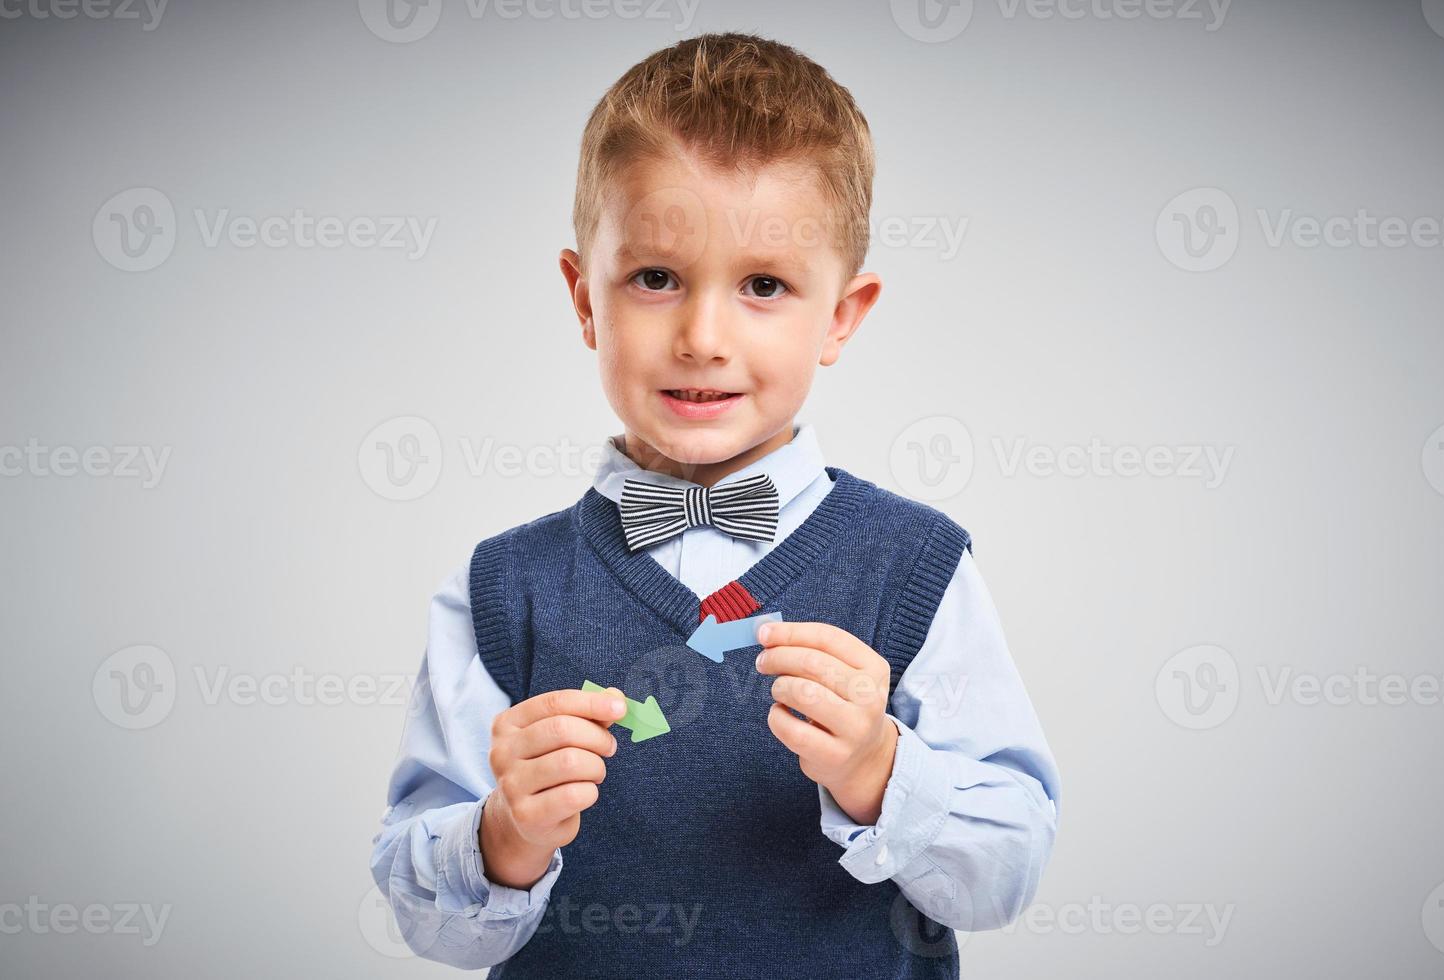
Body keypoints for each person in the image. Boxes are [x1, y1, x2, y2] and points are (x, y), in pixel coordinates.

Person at [369, 31, 1060, 978]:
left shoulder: (918, 567)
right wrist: (504, 835)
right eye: (656, 278)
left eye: (764, 286)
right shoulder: (500, 588)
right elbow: (427, 925)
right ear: (583, 298)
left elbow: (1003, 877)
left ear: (841, 317)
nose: (702, 336)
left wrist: (879, 772)